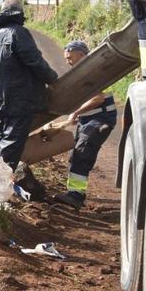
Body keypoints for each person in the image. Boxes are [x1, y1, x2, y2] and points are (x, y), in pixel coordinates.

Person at [0, 0, 60, 169]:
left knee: (1, 138)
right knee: (11, 145)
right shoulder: (18, 33)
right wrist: (52, 78)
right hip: (19, 100)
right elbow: (34, 60)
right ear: (20, 14)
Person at [53, 41, 118, 209]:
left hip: (100, 120)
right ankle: (75, 192)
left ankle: (75, 196)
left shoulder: (93, 71)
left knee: (82, 153)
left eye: (70, 58)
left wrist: (76, 113)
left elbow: (98, 98)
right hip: (88, 120)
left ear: (81, 55)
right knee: (77, 156)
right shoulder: (80, 73)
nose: (68, 62)